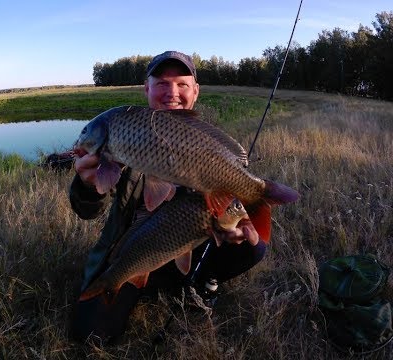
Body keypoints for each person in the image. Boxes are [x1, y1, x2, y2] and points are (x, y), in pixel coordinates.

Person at [68, 51, 266, 343]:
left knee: (253, 246)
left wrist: (232, 226)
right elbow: (86, 210)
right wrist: (87, 185)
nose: (172, 93)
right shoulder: (124, 132)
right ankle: (139, 282)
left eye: (182, 84)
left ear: (195, 91)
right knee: (91, 335)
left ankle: (203, 279)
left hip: (186, 242)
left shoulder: (207, 144)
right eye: (161, 83)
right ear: (146, 89)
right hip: (135, 250)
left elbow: (232, 209)